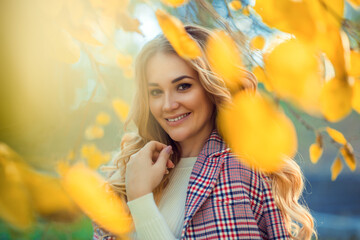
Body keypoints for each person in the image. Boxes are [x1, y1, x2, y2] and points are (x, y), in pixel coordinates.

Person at [92, 24, 316, 240]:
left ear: (212, 86)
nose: (168, 105)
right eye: (156, 91)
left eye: (183, 86)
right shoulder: (133, 171)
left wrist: (141, 200)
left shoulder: (236, 170)